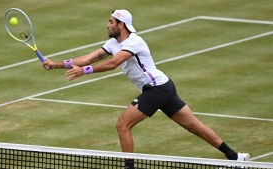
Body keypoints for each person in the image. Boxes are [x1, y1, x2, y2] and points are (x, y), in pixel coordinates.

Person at [43, 9, 250, 169]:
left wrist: (85, 71)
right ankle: (235, 157)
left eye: (111, 22)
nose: (107, 25)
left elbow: (113, 64)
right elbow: (87, 58)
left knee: (122, 125)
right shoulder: (113, 43)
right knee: (194, 126)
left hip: (156, 89)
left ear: (121, 24)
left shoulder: (134, 42)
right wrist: (56, 64)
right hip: (164, 87)